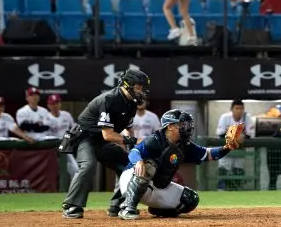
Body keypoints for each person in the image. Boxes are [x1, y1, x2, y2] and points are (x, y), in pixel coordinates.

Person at [116, 109, 241, 220]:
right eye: (182, 124)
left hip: (157, 187)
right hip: (130, 180)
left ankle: (158, 209)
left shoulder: (184, 145)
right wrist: (138, 161)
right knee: (148, 166)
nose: (187, 128)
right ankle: (127, 208)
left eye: (186, 124)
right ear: (170, 126)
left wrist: (227, 147)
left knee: (190, 199)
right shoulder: (155, 139)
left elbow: (209, 154)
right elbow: (134, 152)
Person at [61, 69, 150, 219]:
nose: (141, 90)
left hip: (102, 141)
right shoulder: (109, 99)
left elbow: (128, 129)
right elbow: (108, 135)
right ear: (127, 84)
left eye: (142, 87)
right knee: (88, 165)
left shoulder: (132, 103)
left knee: (128, 164)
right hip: (85, 137)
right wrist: (135, 141)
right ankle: (71, 206)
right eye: (138, 86)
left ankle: (118, 205)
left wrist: (133, 149)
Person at [215, 99, 255, 190]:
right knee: (223, 170)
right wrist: (236, 136)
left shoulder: (247, 117)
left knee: (238, 170)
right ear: (232, 109)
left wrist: (241, 136)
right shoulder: (225, 117)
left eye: (241, 109)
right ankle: (221, 190)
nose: (239, 111)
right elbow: (220, 134)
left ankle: (236, 190)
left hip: (239, 149)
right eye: (236, 108)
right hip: (226, 149)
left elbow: (250, 134)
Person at [47, 94, 78, 178]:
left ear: (60, 103)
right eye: (53, 104)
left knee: (75, 170)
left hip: (65, 146)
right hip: (51, 148)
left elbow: (74, 128)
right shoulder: (46, 117)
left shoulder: (66, 115)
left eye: (57, 103)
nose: (55, 106)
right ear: (48, 105)